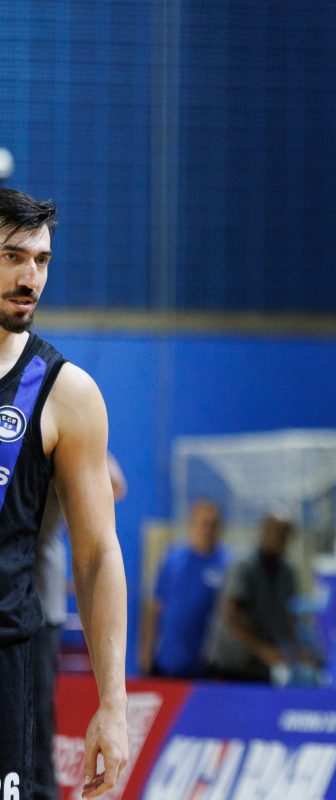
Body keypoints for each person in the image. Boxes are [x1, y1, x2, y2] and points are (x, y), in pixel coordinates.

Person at [0, 188, 129, 798]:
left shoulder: (65, 393)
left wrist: (114, 704)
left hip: (8, 666)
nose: (30, 278)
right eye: (12, 257)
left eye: (42, 260)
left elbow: (98, 554)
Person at [31, 453, 126, 800]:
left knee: (35, 725)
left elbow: (115, 484)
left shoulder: (55, 427)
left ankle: (43, 792)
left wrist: (67, 467)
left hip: (38, 603)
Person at [206, 514, 322, 684]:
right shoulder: (244, 566)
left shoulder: (286, 573)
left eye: (285, 535)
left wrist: (298, 650)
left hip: (261, 666)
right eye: (275, 532)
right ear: (264, 532)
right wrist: (262, 649)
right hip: (230, 662)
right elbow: (232, 614)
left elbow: (286, 617)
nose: (279, 539)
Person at [138, 499, 229, 678]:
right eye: (203, 524)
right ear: (192, 525)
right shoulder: (173, 560)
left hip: (207, 663)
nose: (207, 530)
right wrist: (146, 649)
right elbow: (154, 606)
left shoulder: (226, 564)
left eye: (213, 525)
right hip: (169, 659)